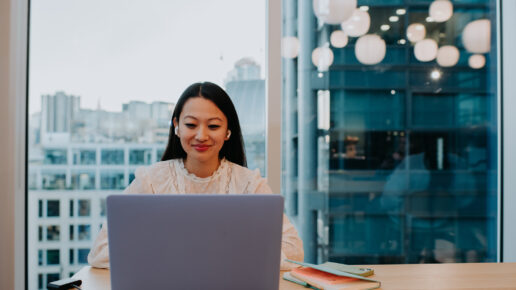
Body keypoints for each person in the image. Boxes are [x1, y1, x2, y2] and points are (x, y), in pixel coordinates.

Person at [87, 82, 304, 270]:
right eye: (191, 124)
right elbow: (101, 252)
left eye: (213, 126)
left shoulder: (249, 184)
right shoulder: (152, 180)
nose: (201, 136)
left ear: (228, 130)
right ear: (176, 127)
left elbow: (293, 249)